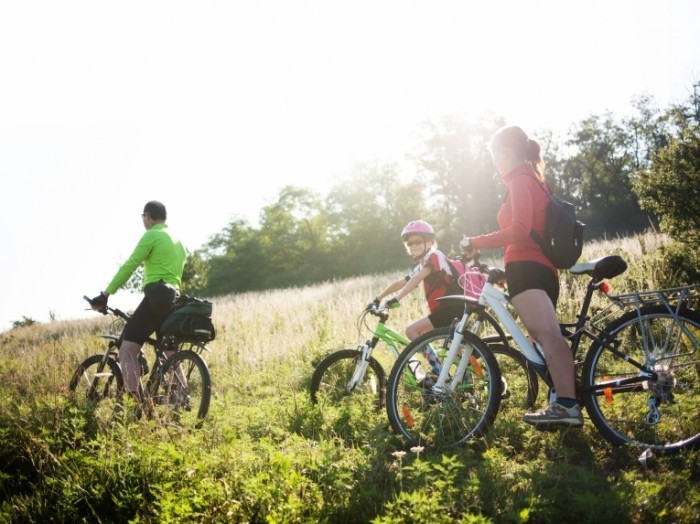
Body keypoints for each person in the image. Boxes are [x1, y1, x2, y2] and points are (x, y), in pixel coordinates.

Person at [460, 125, 582, 428]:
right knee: (543, 337)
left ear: (504, 152)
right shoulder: (535, 179)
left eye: (493, 154)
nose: (493, 161)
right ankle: (560, 400)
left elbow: (520, 230)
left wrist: (474, 241)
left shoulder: (520, 180)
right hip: (536, 269)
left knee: (547, 336)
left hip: (528, 269)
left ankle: (567, 404)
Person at [90, 200, 187, 398]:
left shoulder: (152, 234)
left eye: (143, 216)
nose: (143, 220)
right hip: (174, 301)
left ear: (148, 217)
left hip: (156, 295)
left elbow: (130, 265)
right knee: (170, 355)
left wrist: (105, 294)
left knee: (127, 350)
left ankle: (137, 404)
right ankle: (184, 397)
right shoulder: (178, 241)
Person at [368, 220, 464, 341]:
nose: (413, 245)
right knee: (456, 353)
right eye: (410, 243)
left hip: (451, 308)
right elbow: (401, 282)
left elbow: (417, 278)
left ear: (429, 242)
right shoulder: (423, 264)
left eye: (417, 241)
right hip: (445, 309)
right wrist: (378, 298)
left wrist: (397, 298)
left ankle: (432, 361)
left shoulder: (434, 255)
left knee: (412, 331)